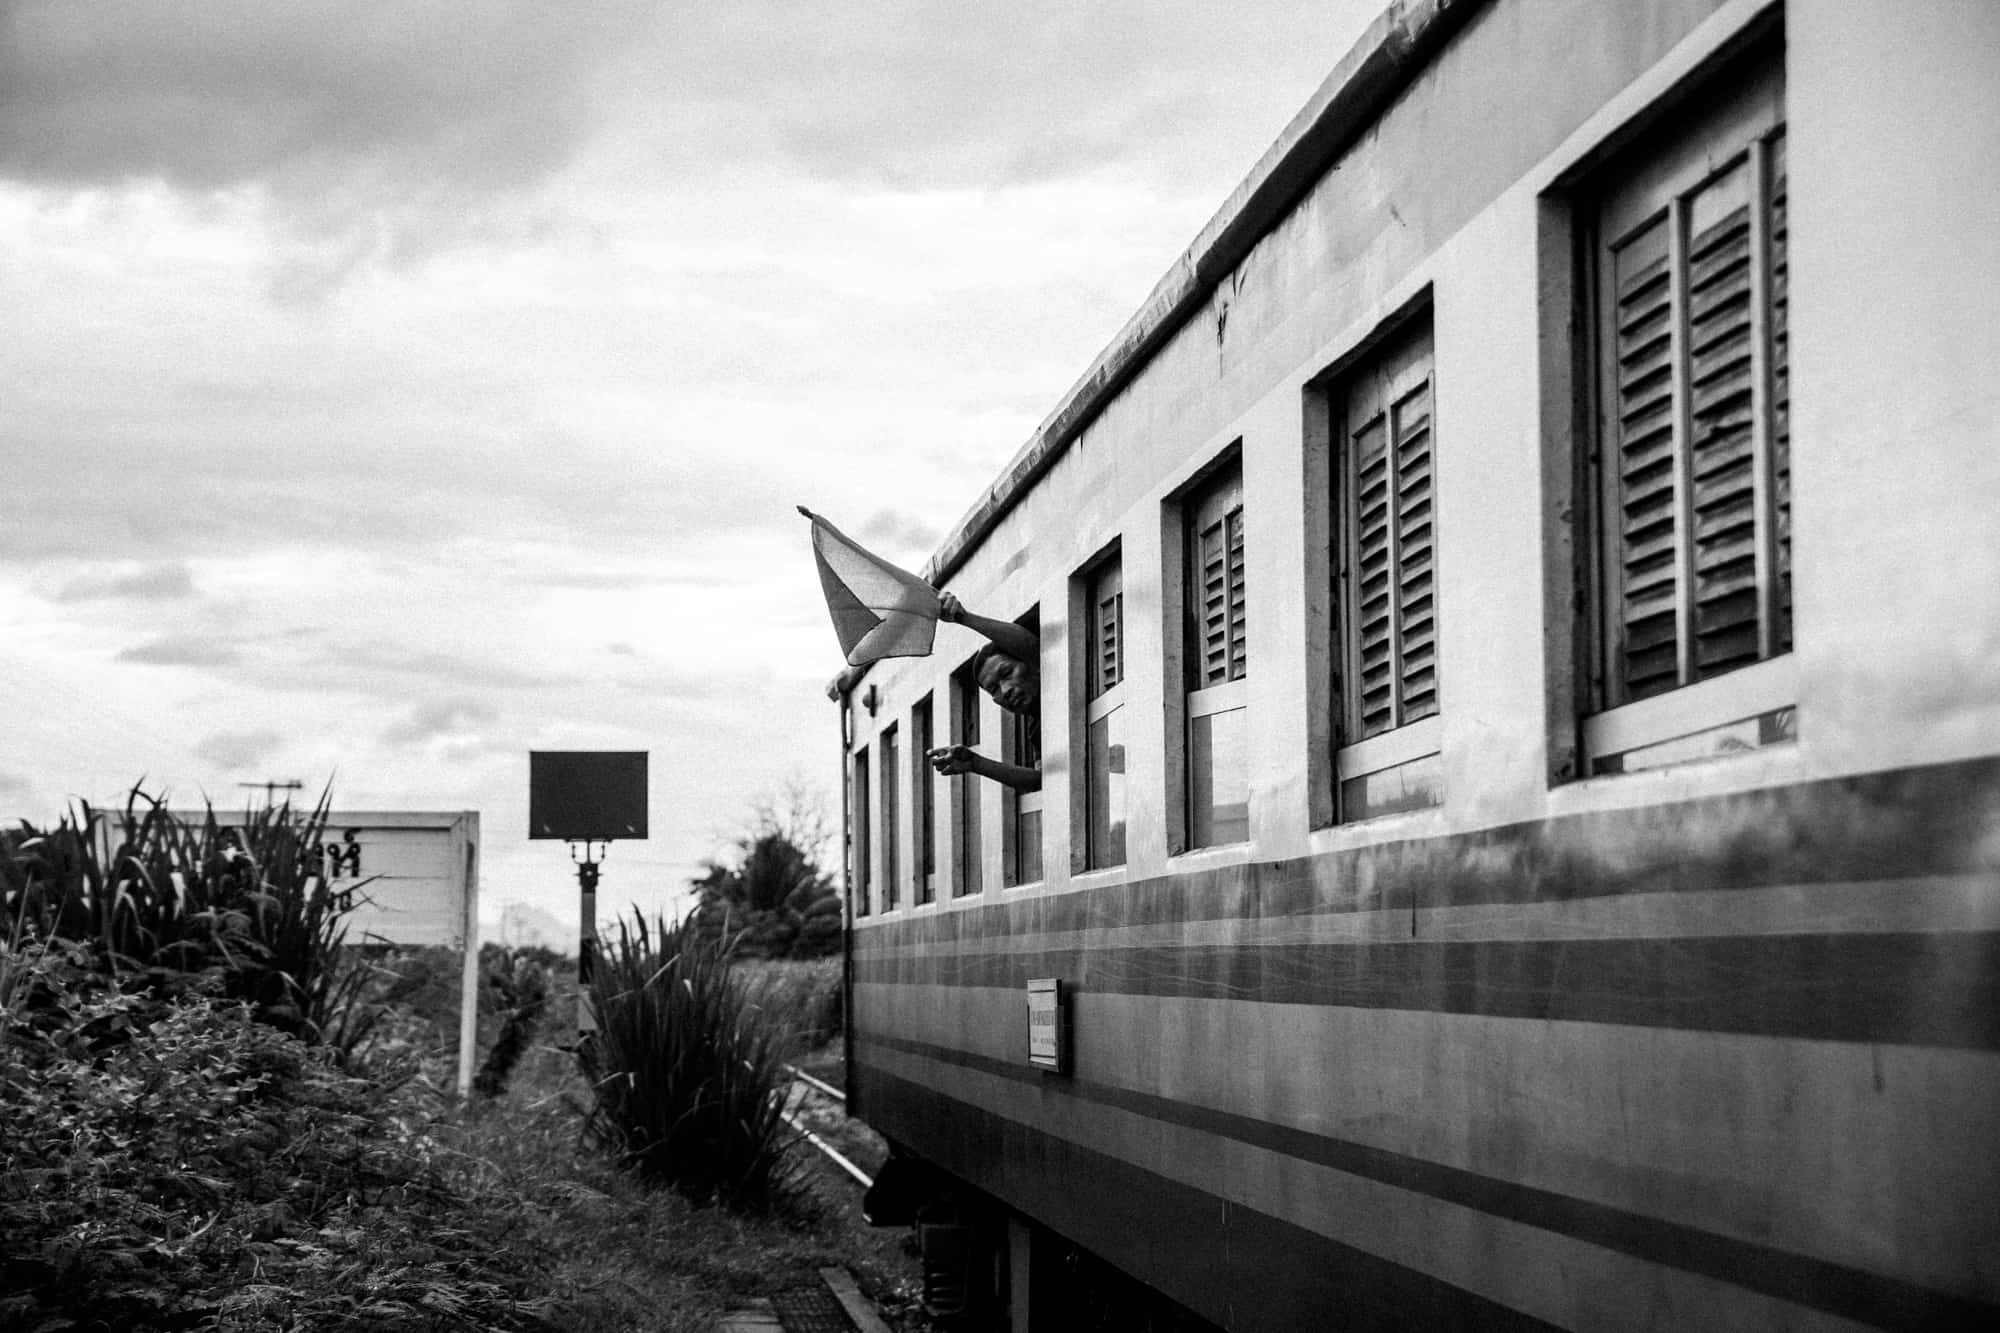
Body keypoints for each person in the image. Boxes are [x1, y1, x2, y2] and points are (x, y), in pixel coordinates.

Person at [926, 591, 1041, 792]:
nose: (1005, 691)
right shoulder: (1037, 730)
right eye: (993, 689)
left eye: (1006, 673)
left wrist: (963, 617)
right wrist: (976, 763)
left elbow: (1031, 646)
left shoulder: (1049, 662)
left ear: (1030, 663)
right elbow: (1042, 781)